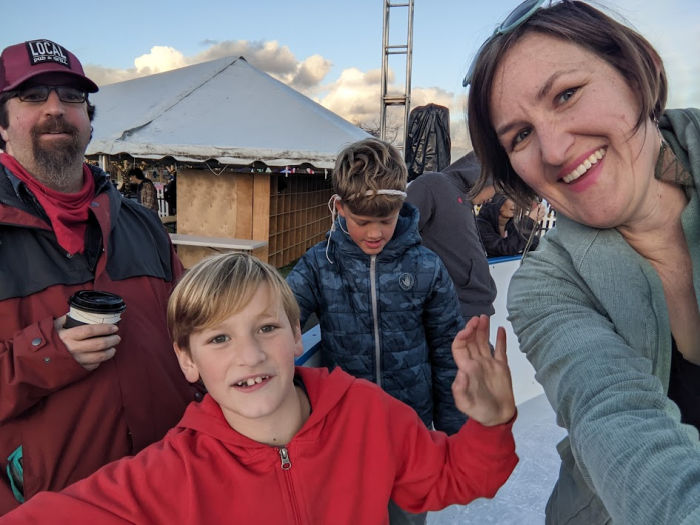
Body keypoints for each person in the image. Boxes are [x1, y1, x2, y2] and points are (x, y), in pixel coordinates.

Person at [0, 252, 518, 524]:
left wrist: (491, 424)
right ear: (187, 361)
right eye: (219, 338)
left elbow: (456, 477)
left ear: (297, 335)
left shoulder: (365, 413)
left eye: (266, 328)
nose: (248, 355)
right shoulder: (169, 473)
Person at [464, 1, 700, 523]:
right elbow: (613, 417)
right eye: (520, 136)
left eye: (566, 94)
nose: (552, 149)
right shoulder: (545, 288)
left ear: (637, 76)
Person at [0, 39, 201, 514]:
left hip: (169, 487)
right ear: (2, 124)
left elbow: (193, 329)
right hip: (56, 507)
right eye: (32, 96)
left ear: (89, 120)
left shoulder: (141, 224)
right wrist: (46, 353)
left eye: (71, 96)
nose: (56, 109)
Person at [286, 138, 465, 524]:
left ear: (401, 208)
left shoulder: (427, 267)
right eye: (361, 220)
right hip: (344, 431)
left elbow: (449, 351)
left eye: (385, 220)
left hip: (410, 429)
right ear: (339, 207)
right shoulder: (321, 264)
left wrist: (453, 430)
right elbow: (281, 314)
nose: (373, 233)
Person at [406, 151, 497, 319]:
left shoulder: (463, 199)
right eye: (495, 189)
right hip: (452, 307)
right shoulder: (433, 184)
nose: (492, 198)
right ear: (485, 177)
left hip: (475, 305)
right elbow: (399, 233)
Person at [476, 193, 544, 257]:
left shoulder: (512, 225)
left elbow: (533, 243)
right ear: (495, 198)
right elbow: (505, 249)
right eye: (511, 198)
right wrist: (529, 221)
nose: (516, 203)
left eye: (519, 199)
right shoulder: (480, 226)